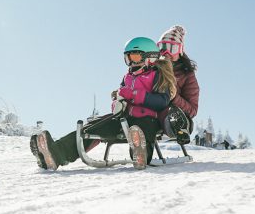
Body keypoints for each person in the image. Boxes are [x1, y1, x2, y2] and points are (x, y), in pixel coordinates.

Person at [30, 37, 175, 171]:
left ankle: (141, 154)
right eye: (128, 58)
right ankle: (55, 154)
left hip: (148, 118)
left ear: (150, 58)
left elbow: (162, 101)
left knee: (141, 131)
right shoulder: (128, 77)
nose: (131, 62)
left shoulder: (158, 75)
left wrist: (135, 95)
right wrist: (117, 103)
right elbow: (119, 97)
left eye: (135, 57)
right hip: (123, 118)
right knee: (92, 128)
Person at [156, 25, 200, 145]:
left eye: (172, 48)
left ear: (180, 51)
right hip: (150, 111)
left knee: (170, 112)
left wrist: (174, 97)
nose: (166, 53)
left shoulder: (187, 75)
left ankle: (179, 128)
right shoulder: (151, 68)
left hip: (171, 114)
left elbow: (193, 110)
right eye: (162, 47)